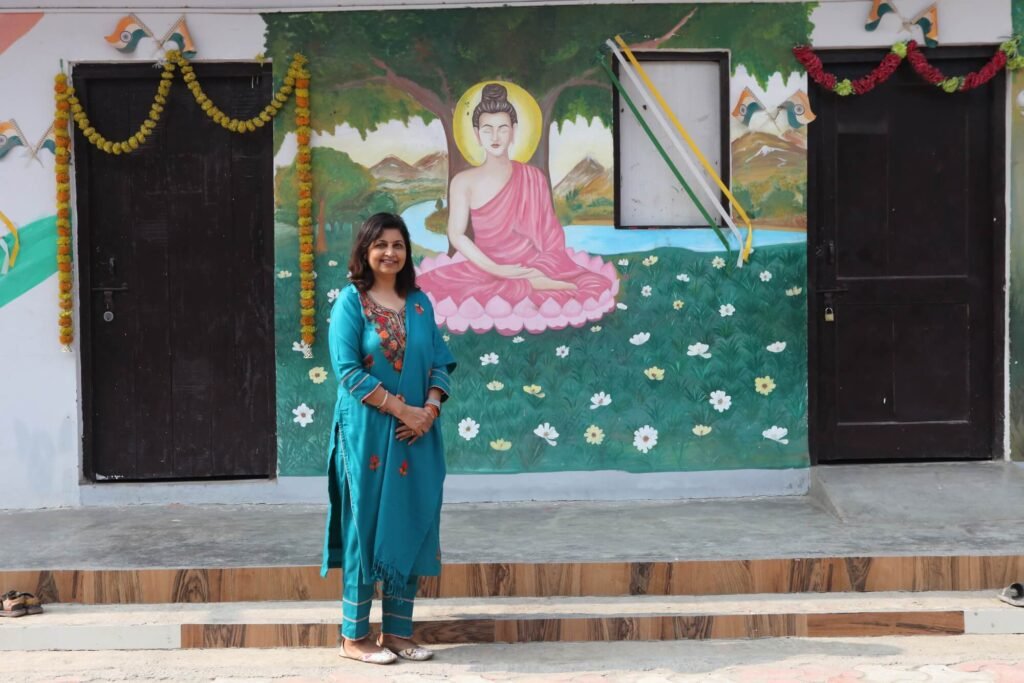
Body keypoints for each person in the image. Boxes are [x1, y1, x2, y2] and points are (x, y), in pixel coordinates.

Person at [321, 212, 456, 665]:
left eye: (398, 245)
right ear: (364, 251)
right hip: (368, 436)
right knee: (365, 527)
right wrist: (403, 410)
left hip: (416, 436)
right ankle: (354, 638)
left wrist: (429, 412)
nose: (389, 253)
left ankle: (398, 634)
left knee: (408, 522)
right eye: (380, 245)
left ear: (407, 252)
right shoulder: (350, 303)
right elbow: (347, 372)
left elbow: (439, 360)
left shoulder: (419, 303)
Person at [416, 82, 618, 335]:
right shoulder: (463, 182)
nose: (495, 137)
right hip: (486, 266)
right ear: (476, 134)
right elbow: (456, 235)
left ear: (513, 131)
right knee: (430, 289)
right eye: (487, 129)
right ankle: (528, 284)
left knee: (587, 285)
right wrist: (496, 269)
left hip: (533, 263)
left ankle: (532, 281)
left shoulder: (533, 177)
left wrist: (540, 268)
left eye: (502, 129)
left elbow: (550, 236)